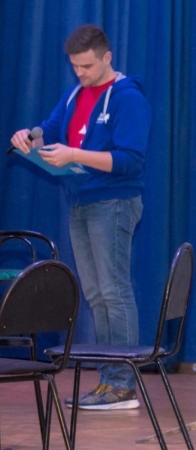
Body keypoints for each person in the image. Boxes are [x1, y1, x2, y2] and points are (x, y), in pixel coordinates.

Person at [10, 24, 151, 410]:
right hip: (81, 202)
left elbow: (130, 160)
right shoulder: (75, 94)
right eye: (75, 66)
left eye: (87, 66)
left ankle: (122, 384)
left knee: (114, 292)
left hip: (114, 202)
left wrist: (74, 155)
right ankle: (109, 381)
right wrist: (29, 136)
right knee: (96, 294)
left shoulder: (128, 98)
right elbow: (49, 129)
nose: (80, 73)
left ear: (107, 57)